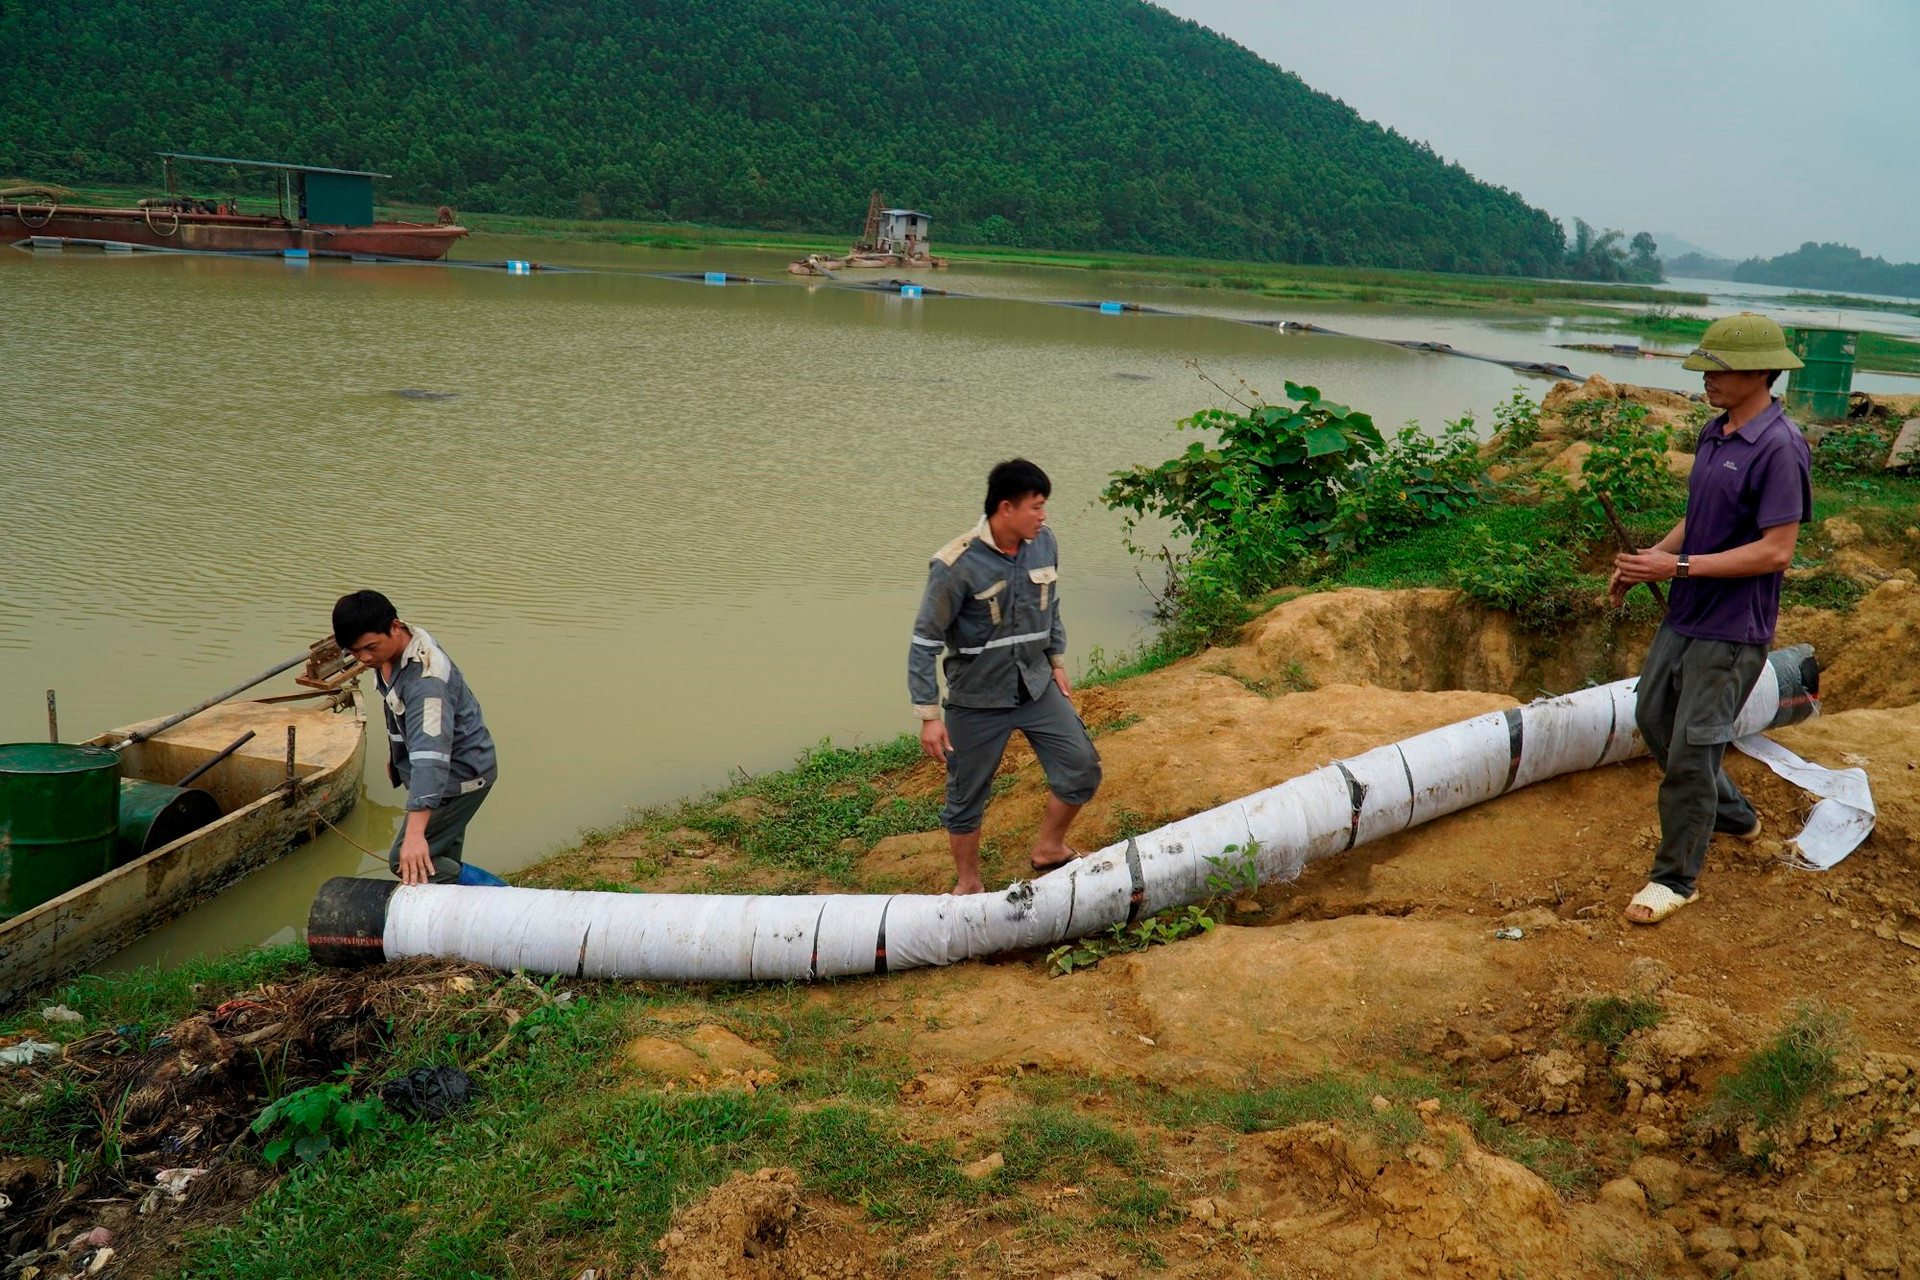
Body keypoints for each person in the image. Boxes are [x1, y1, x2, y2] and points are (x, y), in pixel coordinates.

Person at [1609, 313, 1810, 925]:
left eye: (1718, 371)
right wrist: (1655, 558)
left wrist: (1681, 569)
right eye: (1705, 370)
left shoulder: (1779, 447)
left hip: (1731, 626)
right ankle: (1735, 814)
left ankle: (1675, 879)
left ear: (1760, 372)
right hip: (1687, 611)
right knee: (1653, 718)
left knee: (1695, 749)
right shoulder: (1715, 431)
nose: (1707, 381)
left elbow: (1777, 550)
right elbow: (1698, 517)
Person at [910, 459, 1103, 895]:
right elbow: (925, 641)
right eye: (1036, 507)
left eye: (1044, 506)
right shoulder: (954, 565)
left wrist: (1055, 659)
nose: (1044, 516)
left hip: (1035, 685)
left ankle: (1050, 849)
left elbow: (1050, 603)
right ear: (1006, 509)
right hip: (976, 699)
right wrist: (928, 714)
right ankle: (969, 884)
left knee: (1081, 767)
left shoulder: (1044, 543)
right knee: (966, 797)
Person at [332, 590, 499, 886]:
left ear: (395, 626)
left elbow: (431, 757)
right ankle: (452, 914)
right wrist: (398, 754)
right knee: (440, 854)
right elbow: (404, 714)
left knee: (406, 860)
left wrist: (413, 834)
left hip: (458, 776)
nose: (364, 658)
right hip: (455, 763)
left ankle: (498, 894)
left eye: (370, 647)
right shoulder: (402, 642)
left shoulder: (427, 685)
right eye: (354, 651)